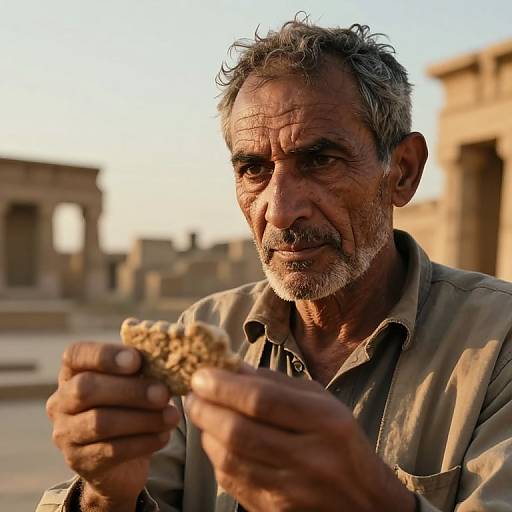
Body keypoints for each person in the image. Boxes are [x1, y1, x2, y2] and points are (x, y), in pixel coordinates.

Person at [37, 18, 512, 512]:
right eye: (253, 170)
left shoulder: (498, 345)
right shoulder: (206, 329)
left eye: (320, 161)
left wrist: (372, 498)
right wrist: (106, 492)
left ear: (402, 172)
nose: (280, 209)